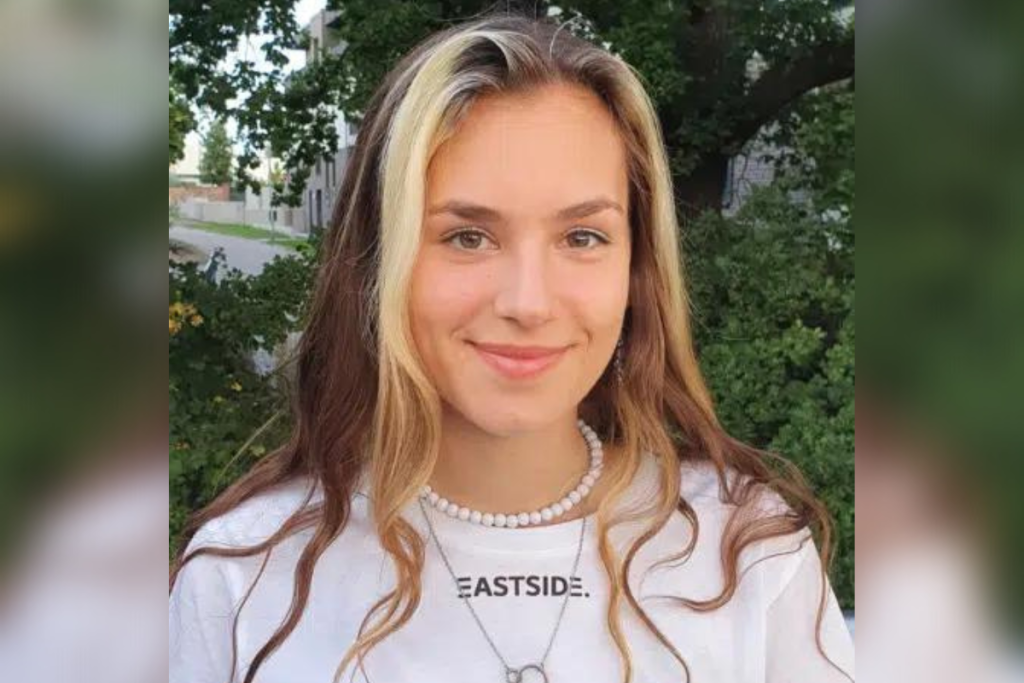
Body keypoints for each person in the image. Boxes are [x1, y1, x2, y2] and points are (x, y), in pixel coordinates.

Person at [169, 13, 854, 683]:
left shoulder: (753, 559)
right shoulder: (241, 580)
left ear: (637, 268)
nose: (528, 302)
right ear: (377, 263)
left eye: (582, 237)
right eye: (467, 237)